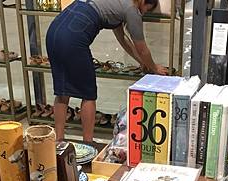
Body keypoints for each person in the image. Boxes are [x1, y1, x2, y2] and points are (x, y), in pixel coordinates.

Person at [46, 0, 167, 144]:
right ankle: (88, 144)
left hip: (55, 30)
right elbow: (142, 48)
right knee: (88, 94)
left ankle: (58, 142)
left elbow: (123, 39)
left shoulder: (120, 3)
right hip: (73, 37)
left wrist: (142, 62)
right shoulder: (132, 10)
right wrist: (154, 68)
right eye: (147, 9)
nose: (145, 13)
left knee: (62, 92)